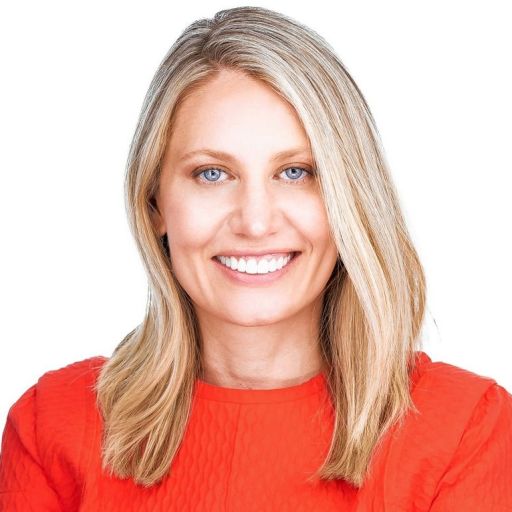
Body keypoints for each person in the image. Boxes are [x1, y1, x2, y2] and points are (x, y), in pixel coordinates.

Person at [1, 6, 511, 511]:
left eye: (295, 172)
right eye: (211, 174)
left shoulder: (465, 432)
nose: (255, 221)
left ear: (350, 197)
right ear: (154, 201)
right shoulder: (54, 427)